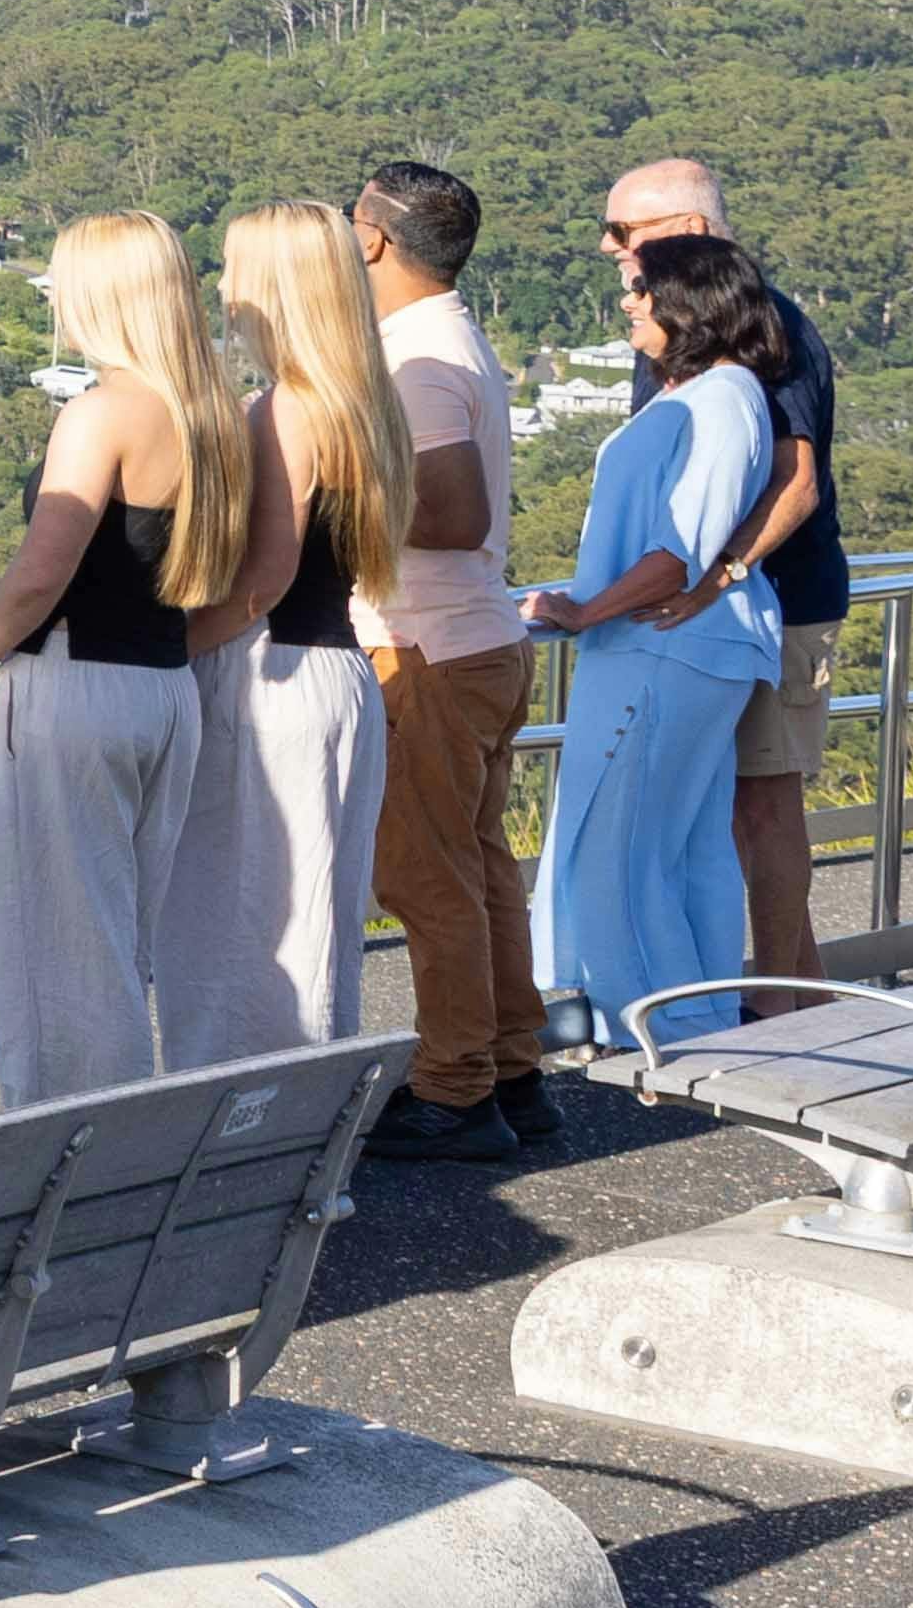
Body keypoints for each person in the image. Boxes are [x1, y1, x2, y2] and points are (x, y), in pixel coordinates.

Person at [0, 213, 259, 1107]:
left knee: (53, 953)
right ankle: (116, 1149)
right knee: (118, 942)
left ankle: (64, 1166)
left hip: (72, 688)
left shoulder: (100, 411)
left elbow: (43, 567)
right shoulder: (214, 415)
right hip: (162, 689)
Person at [526, 228, 796, 1045]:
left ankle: (646, 1023)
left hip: (659, 649)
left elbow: (676, 552)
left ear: (689, 302)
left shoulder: (717, 400)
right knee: (681, 846)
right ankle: (697, 1015)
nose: (626, 302)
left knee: (614, 843)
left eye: (640, 287)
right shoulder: (722, 395)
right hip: (683, 650)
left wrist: (579, 612)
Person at [163, 199, 409, 1064]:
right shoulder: (362, 402)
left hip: (270, 682)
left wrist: (166, 652)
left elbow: (259, 582)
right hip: (334, 671)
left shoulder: (284, 411)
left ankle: (237, 1139)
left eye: (234, 268)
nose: (222, 286)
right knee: (317, 920)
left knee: (242, 928)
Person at [350, 160, 551, 1163]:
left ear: (378, 238)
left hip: (421, 646)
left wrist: (333, 502)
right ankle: (511, 1064)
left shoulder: (411, 359)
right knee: (478, 869)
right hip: (478, 640)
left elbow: (453, 510)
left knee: (426, 879)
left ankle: (456, 1087)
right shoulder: (450, 336)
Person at [604, 159, 848, 983]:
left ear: (690, 232)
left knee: (763, 800)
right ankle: (801, 987)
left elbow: (795, 481)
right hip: (706, 601)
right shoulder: (680, 329)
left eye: (624, 232)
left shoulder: (763, 326)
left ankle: (774, 999)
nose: (611, 251)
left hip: (773, 601)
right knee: (731, 801)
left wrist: (719, 573)